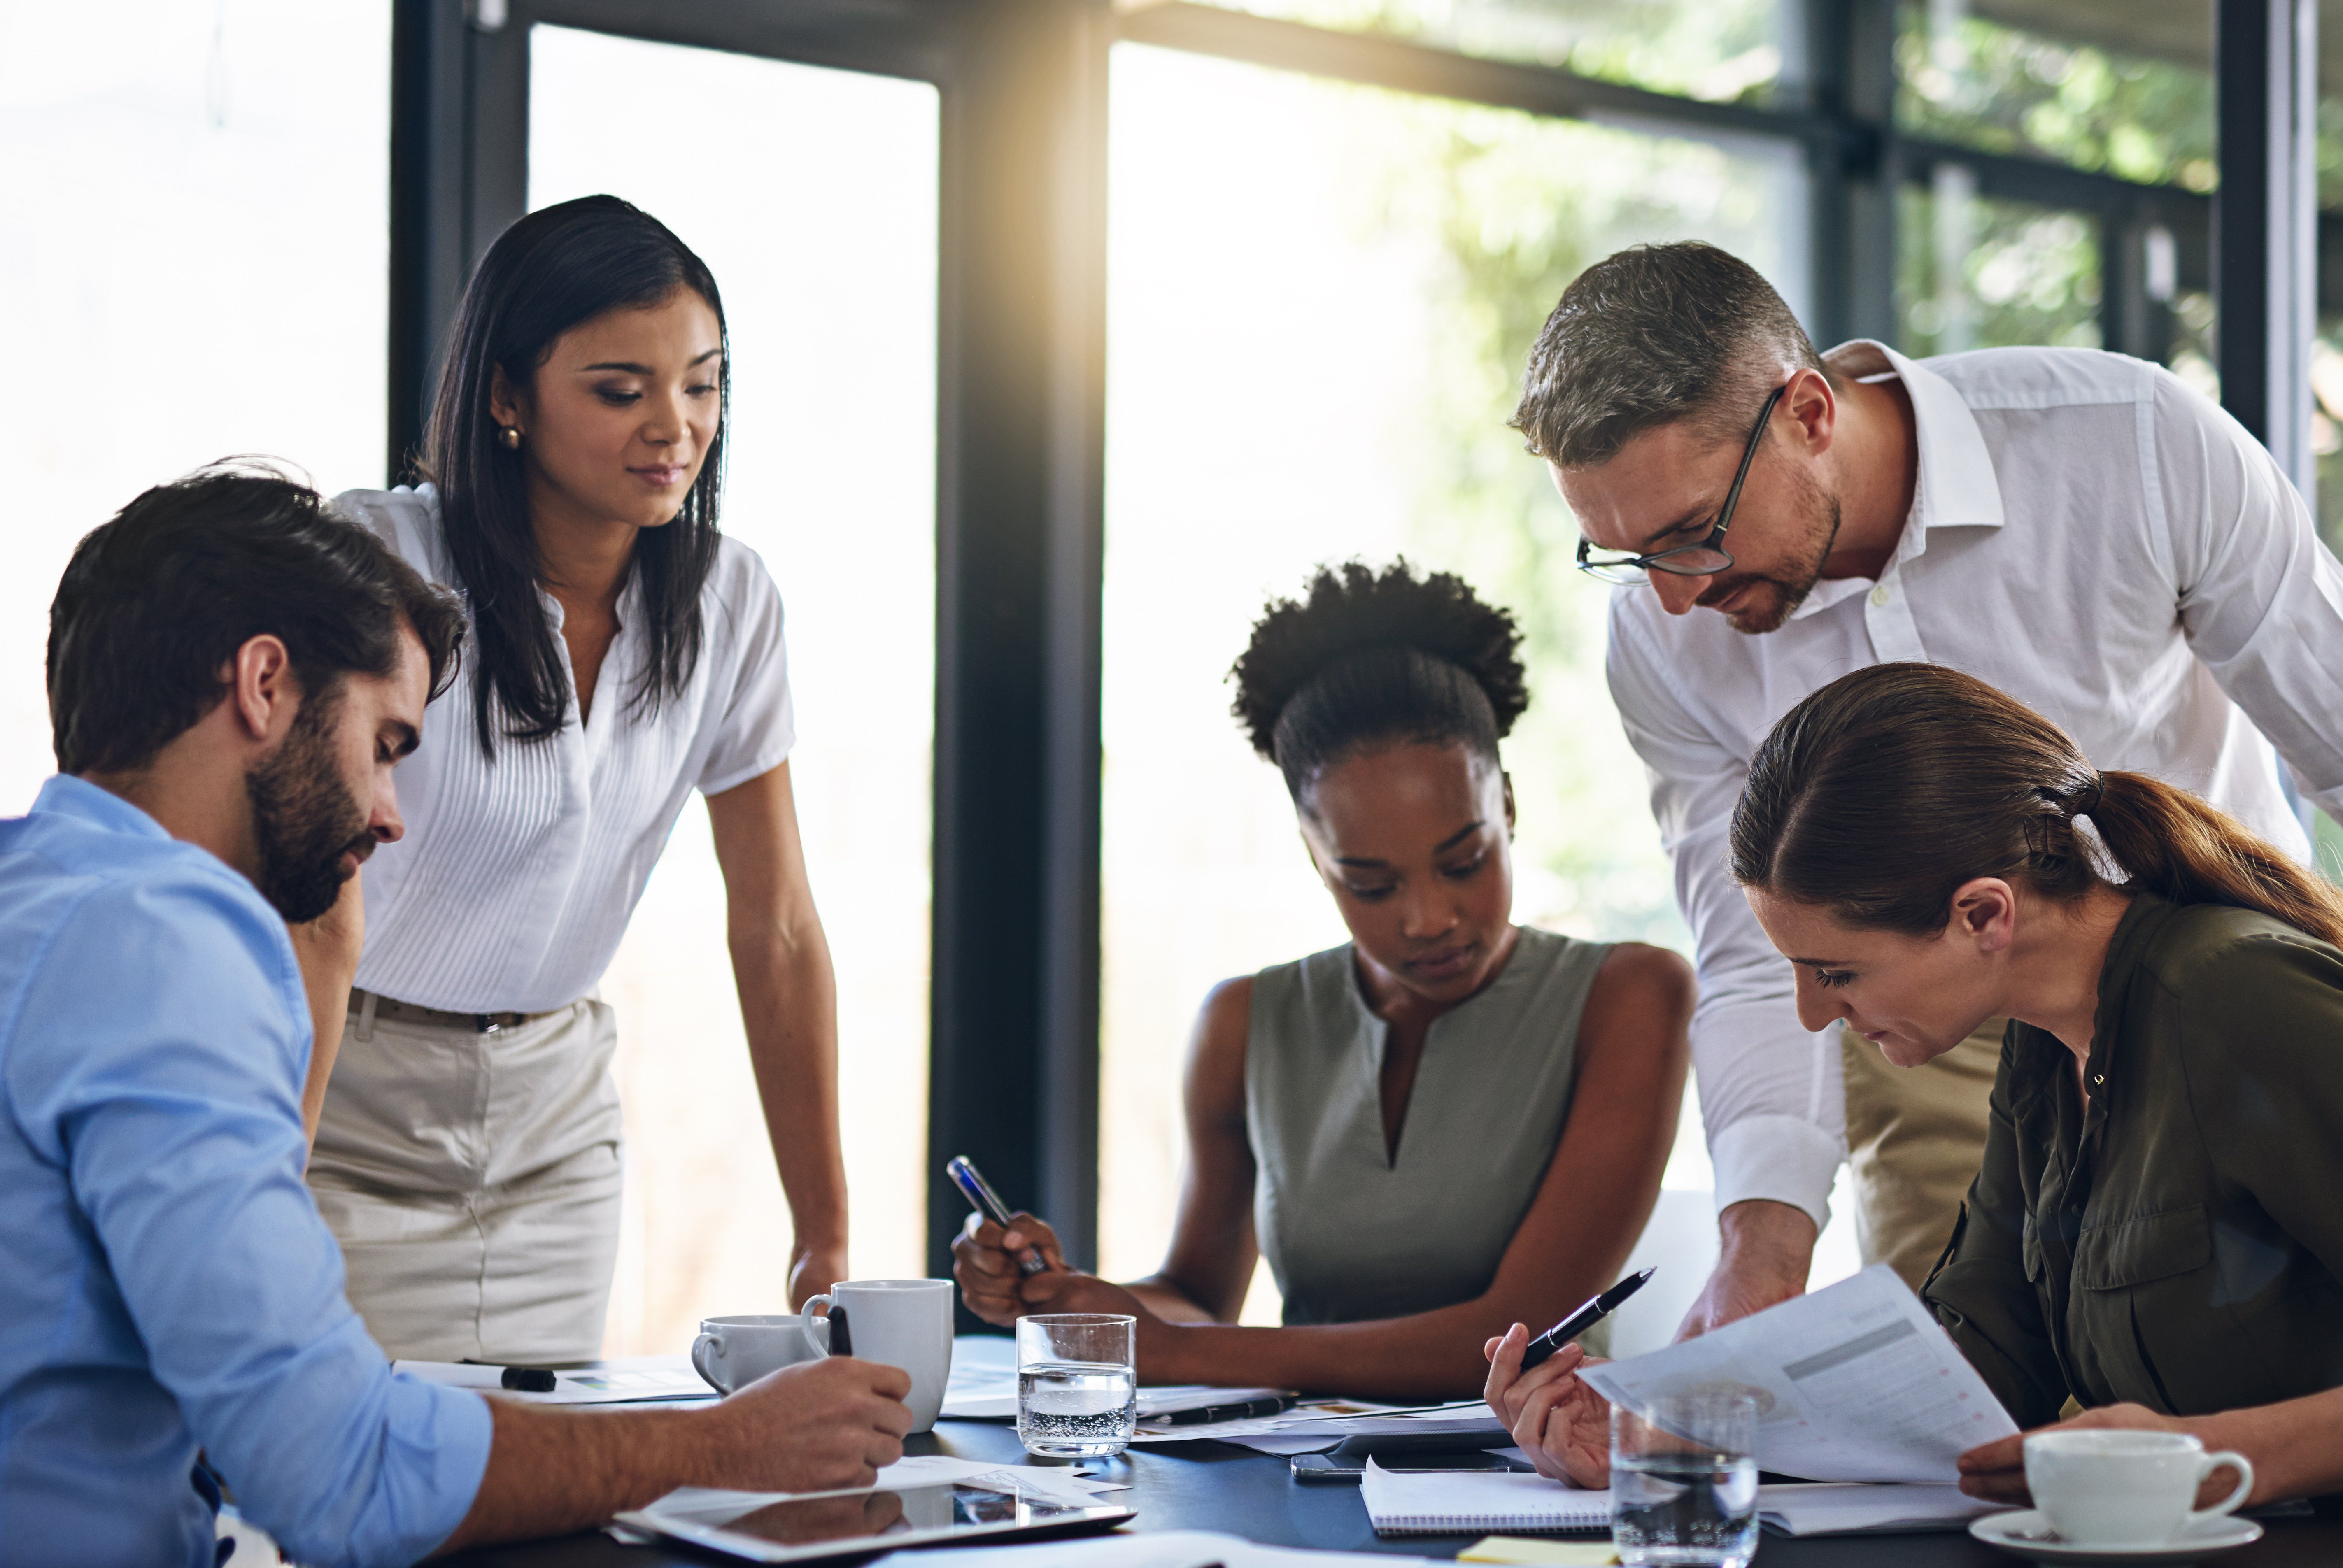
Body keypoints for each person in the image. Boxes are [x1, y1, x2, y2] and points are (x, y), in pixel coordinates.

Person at [1513, 240, 2343, 1335]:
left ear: (1808, 413)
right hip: (1921, 1026)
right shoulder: (1662, 633)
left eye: (1690, 535)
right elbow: (1755, 954)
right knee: (1953, 1434)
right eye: (1625, 554)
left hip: (2214, 991)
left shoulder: (2127, 446)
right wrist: (1759, 1249)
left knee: (2284, 1393)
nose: (1670, 597)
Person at [2, 466, 913, 1568]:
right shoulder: (170, 943)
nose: (389, 818)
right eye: (385, 746)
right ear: (264, 683)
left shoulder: (38, 900)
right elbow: (342, 1475)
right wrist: (724, 1443)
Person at [1485, 663, 2343, 1527]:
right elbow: (1973, 1374)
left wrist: (2210, 1455)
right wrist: (1673, 1437)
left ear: (1984, 914)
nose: (1811, 1015)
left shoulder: (2240, 1000)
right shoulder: (2044, 1046)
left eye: (1834, 971)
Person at [298, 194, 848, 1363]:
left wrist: (824, 1233)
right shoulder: (381, 560)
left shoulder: (728, 602)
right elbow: (306, 891)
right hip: (345, 1108)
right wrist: (265, 1164)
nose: (675, 426)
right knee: (344, 1503)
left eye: (702, 384)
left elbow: (780, 926)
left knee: (543, 1499)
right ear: (507, 398)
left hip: (555, 1122)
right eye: (621, 390)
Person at [951, 562, 1692, 1400]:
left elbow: (1513, 1336)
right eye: (1370, 884)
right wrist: (1073, 1300)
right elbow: (1196, 1301)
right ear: (1314, 857)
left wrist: (1173, 1354)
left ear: (1509, 808)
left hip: (1531, 1484)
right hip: (1291, 1476)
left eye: (1463, 861)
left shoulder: (1629, 996)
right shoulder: (1244, 1022)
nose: (1428, 918)